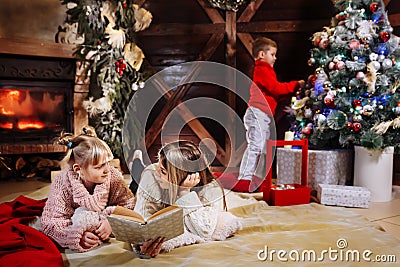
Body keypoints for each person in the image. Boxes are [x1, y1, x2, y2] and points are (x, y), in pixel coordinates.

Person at [41, 127, 163, 257]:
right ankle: (137, 164)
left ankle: (137, 163)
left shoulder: (112, 174)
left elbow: (128, 205)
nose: (106, 170)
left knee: (139, 182)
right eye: (99, 166)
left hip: (124, 193)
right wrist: (76, 235)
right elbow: (51, 223)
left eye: (107, 163)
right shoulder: (62, 183)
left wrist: (112, 222)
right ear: (78, 169)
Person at [131, 140, 242, 252]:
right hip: (144, 179)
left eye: (163, 172)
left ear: (179, 176)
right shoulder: (152, 175)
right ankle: (136, 160)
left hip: (179, 186)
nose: (157, 174)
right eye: (159, 169)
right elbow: (142, 219)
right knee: (137, 175)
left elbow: (204, 231)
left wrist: (184, 192)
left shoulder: (211, 189)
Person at [236, 37, 305, 192]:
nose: (275, 58)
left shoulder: (267, 71)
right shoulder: (262, 69)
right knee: (255, 146)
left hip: (264, 115)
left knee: (263, 148)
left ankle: (258, 178)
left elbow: (274, 94)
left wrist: (289, 93)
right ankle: (245, 178)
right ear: (262, 54)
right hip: (257, 113)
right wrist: (295, 84)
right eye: (273, 54)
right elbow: (275, 88)